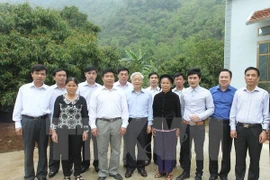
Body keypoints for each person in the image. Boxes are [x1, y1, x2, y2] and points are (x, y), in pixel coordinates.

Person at [230, 67, 269, 180]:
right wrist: (233, 128)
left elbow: (266, 114)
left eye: (253, 75)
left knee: (255, 159)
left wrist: (264, 130)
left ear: (258, 78)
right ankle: (239, 178)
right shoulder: (239, 93)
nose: (250, 78)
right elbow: (233, 111)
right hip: (240, 129)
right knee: (239, 158)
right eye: (248, 75)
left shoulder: (264, 94)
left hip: (256, 130)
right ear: (245, 77)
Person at [90, 69, 129, 180]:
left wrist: (124, 125)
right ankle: (102, 172)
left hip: (117, 122)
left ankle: (113, 170)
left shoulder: (120, 92)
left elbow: (124, 109)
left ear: (114, 78)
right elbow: (92, 110)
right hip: (102, 123)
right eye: (107, 76)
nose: (109, 78)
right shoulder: (97, 92)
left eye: (111, 76)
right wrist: (93, 125)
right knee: (102, 149)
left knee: (116, 149)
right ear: (102, 78)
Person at [13, 64, 50, 180]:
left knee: (43, 150)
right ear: (32, 74)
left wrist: (52, 126)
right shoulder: (24, 89)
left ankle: (41, 174)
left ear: (45, 76)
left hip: (44, 121)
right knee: (28, 150)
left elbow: (52, 110)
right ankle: (29, 175)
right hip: (28, 121)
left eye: (42, 74)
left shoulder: (49, 90)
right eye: (37, 73)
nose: (39, 76)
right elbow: (18, 106)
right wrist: (17, 124)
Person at [176, 68, 214, 180]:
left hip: (199, 126)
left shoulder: (206, 92)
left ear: (199, 79)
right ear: (187, 79)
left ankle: (199, 173)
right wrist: (183, 120)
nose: (192, 80)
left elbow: (211, 108)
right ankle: (186, 172)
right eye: (190, 78)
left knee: (199, 150)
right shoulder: (184, 92)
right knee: (185, 149)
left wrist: (200, 117)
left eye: (195, 78)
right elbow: (182, 107)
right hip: (186, 125)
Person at [51, 77, 89, 180]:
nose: (71, 88)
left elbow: (85, 116)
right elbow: (55, 116)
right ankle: (66, 174)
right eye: (69, 85)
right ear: (65, 86)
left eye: (74, 85)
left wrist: (85, 130)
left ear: (77, 86)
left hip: (78, 129)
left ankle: (77, 174)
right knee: (65, 153)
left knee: (77, 152)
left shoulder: (81, 99)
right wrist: (54, 131)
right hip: (62, 129)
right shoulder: (59, 99)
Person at [208, 69, 237, 180]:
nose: (223, 79)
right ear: (218, 78)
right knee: (213, 150)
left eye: (226, 77)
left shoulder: (235, 92)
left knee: (226, 150)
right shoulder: (211, 91)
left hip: (227, 124)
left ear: (230, 78)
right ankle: (213, 173)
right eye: (221, 77)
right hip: (214, 123)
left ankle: (224, 173)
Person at [152, 74, 181, 180]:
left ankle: (169, 171)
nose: (165, 85)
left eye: (167, 83)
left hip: (171, 127)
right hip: (159, 126)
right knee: (159, 149)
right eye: (163, 83)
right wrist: (154, 126)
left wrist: (178, 127)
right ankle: (161, 170)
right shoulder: (157, 97)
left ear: (171, 84)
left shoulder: (175, 97)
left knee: (169, 149)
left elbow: (178, 112)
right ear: (160, 83)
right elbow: (154, 112)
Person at [124, 72, 153, 178]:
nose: (137, 81)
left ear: (142, 81)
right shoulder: (126, 94)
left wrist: (149, 124)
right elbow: (124, 110)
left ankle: (141, 167)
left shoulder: (147, 94)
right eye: (135, 79)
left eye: (139, 79)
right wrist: (124, 124)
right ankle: (130, 168)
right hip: (130, 121)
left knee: (142, 146)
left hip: (143, 121)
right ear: (131, 81)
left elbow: (150, 110)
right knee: (130, 146)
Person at [78, 66, 101, 173]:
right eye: (89, 73)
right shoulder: (79, 87)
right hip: (84, 116)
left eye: (93, 73)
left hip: (97, 117)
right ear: (85, 74)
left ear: (96, 75)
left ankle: (97, 163)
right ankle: (85, 163)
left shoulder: (100, 88)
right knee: (85, 141)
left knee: (97, 141)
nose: (91, 75)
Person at [47, 69, 68, 178]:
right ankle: (53, 168)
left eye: (64, 75)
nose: (62, 77)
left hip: (69, 124)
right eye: (59, 75)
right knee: (55, 146)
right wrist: (51, 126)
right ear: (54, 77)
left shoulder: (71, 88)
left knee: (69, 146)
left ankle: (68, 168)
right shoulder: (49, 90)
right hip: (55, 122)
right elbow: (48, 109)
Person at [145, 72, 160, 165]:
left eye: (155, 77)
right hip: (147, 119)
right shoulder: (145, 91)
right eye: (151, 77)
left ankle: (157, 158)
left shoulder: (162, 90)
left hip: (158, 119)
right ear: (149, 80)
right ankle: (147, 158)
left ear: (158, 80)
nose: (153, 79)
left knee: (158, 140)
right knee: (146, 139)